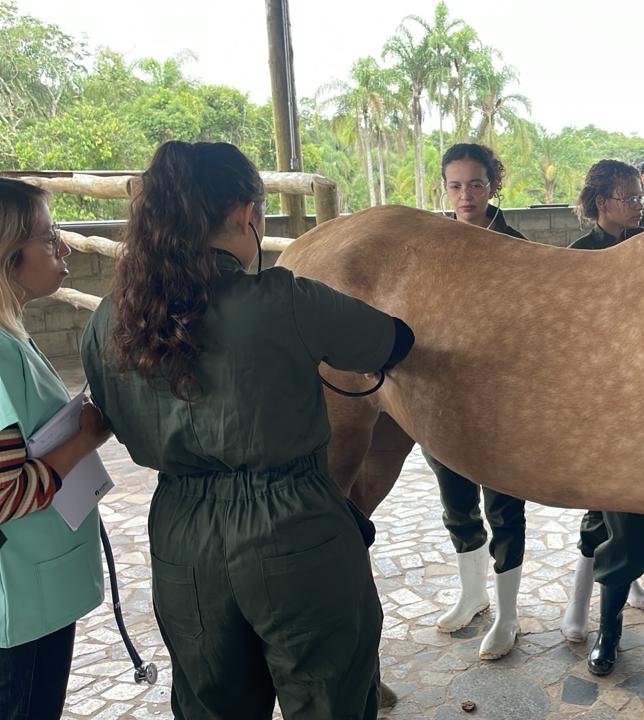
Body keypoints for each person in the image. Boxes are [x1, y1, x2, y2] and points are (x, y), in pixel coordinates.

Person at [80, 141, 414, 719]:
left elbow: (112, 414)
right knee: (330, 698)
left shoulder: (109, 318)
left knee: (211, 704)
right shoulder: (284, 299)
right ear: (244, 214)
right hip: (296, 530)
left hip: (181, 538)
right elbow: (394, 341)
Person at [558, 160, 644, 677]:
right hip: (619, 422)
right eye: (630, 198)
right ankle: (608, 635)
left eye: (640, 198)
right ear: (601, 203)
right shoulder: (578, 258)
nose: (639, 207)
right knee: (625, 537)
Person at [0, 179, 112, 720]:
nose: (63, 249)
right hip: (17, 603)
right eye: (49, 238)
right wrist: (88, 436)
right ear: (9, 254)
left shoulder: (13, 334)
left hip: (33, 592)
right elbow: (4, 492)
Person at [426, 142, 527, 660]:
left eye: (476, 184)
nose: (466, 194)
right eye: (456, 185)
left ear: (494, 185)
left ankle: (508, 615)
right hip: (441, 400)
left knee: (505, 506)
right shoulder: (429, 247)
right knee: (457, 504)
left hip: (499, 404)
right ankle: (472, 595)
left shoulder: (516, 247)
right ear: (445, 188)